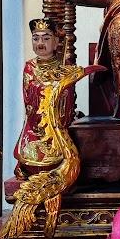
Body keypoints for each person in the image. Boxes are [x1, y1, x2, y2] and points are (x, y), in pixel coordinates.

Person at [14, 18, 75, 179]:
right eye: (36, 38)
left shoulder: (64, 65)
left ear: (56, 42)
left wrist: (61, 88)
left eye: (46, 38)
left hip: (55, 121)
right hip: (36, 120)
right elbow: (28, 93)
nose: (40, 43)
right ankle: (27, 166)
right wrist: (46, 88)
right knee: (31, 148)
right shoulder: (30, 67)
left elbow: (68, 93)